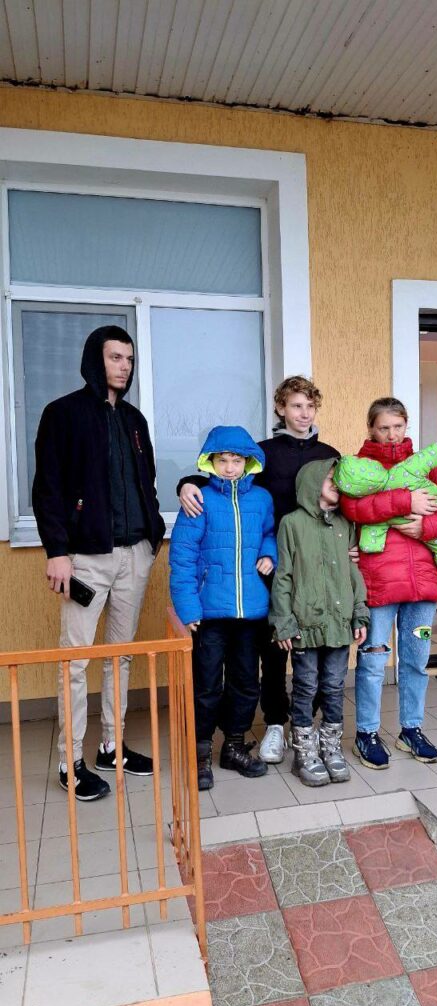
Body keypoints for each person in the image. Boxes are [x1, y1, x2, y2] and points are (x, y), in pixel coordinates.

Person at [176, 376, 340, 765]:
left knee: (318, 647)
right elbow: (224, 483)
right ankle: (274, 724)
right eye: (296, 405)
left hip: (313, 566)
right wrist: (185, 483)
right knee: (272, 652)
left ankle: (307, 724)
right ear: (281, 408)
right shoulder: (262, 453)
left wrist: (351, 543)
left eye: (310, 406)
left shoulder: (330, 454)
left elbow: (345, 499)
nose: (304, 413)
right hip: (264, 572)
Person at [32, 326, 165, 801]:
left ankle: (111, 747)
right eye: (115, 357)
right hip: (85, 559)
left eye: (129, 358)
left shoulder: (134, 419)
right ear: (95, 358)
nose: (124, 366)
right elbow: (48, 488)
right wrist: (57, 551)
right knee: (74, 661)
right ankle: (70, 762)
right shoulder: (63, 413)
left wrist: (151, 536)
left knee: (119, 656)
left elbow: (146, 482)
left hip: (135, 555)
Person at [339, 397, 437, 768]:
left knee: (416, 661)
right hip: (379, 585)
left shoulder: (428, 466)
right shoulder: (361, 468)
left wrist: (427, 525)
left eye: (397, 426)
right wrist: (406, 500)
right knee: (372, 661)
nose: (391, 434)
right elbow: (354, 507)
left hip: (423, 588)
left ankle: (411, 729)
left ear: (406, 426)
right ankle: (366, 733)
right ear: (371, 429)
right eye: (384, 427)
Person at [169, 425, 277, 791]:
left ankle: (233, 746)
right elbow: (182, 556)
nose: (230, 467)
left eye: (236, 461)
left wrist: (269, 554)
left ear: (248, 463)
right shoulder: (198, 499)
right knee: (206, 685)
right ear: (210, 463)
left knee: (245, 683)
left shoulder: (261, 498)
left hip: (251, 612)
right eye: (223, 460)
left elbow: (269, 533)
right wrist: (188, 608)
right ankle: (200, 753)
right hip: (209, 615)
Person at [270, 459, 369, 786]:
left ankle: (330, 747)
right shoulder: (292, 524)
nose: (336, 485)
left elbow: (352, 572)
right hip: (305, 624)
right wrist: (283, 621)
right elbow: (283, 577)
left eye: (338, 480)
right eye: (330, 479)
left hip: (339, 623)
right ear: (312, 483)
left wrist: (360, 612)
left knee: (334, 686)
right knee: (306, 687)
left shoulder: (345, 524)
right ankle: (304, 751)